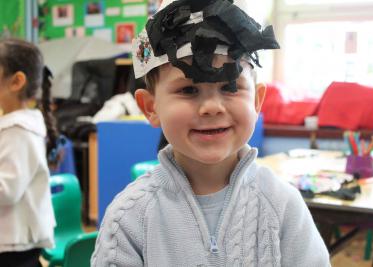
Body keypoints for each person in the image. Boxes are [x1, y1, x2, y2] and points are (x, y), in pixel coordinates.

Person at [92, 0, 330, 266]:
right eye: (188, 90)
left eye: (230, 87)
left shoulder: (283, 206)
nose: (212, 107)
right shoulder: (128, 219)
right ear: (151, 107)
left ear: (256, 101)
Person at [0, 38, 59, 267]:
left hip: (15, 247)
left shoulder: (18, 130)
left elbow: (7, 190)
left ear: (16, 81)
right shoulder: (16, 125)